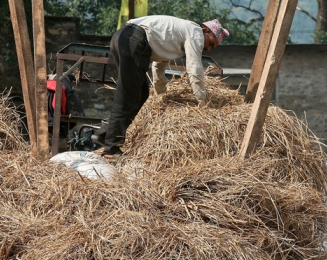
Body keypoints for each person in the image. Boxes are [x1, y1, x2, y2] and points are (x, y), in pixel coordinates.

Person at [92, 15, 229, 159]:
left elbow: (159, 65)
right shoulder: (195, 33)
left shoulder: (180, 35)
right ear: (205, 30)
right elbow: (194, 69)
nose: (208, 48)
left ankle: (105, 133)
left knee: (142, 93)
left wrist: (161, 93)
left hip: (124, 37)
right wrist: (203, 103)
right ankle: (111, 149)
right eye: (211, 43)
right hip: (134, 39)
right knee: (129, 94)